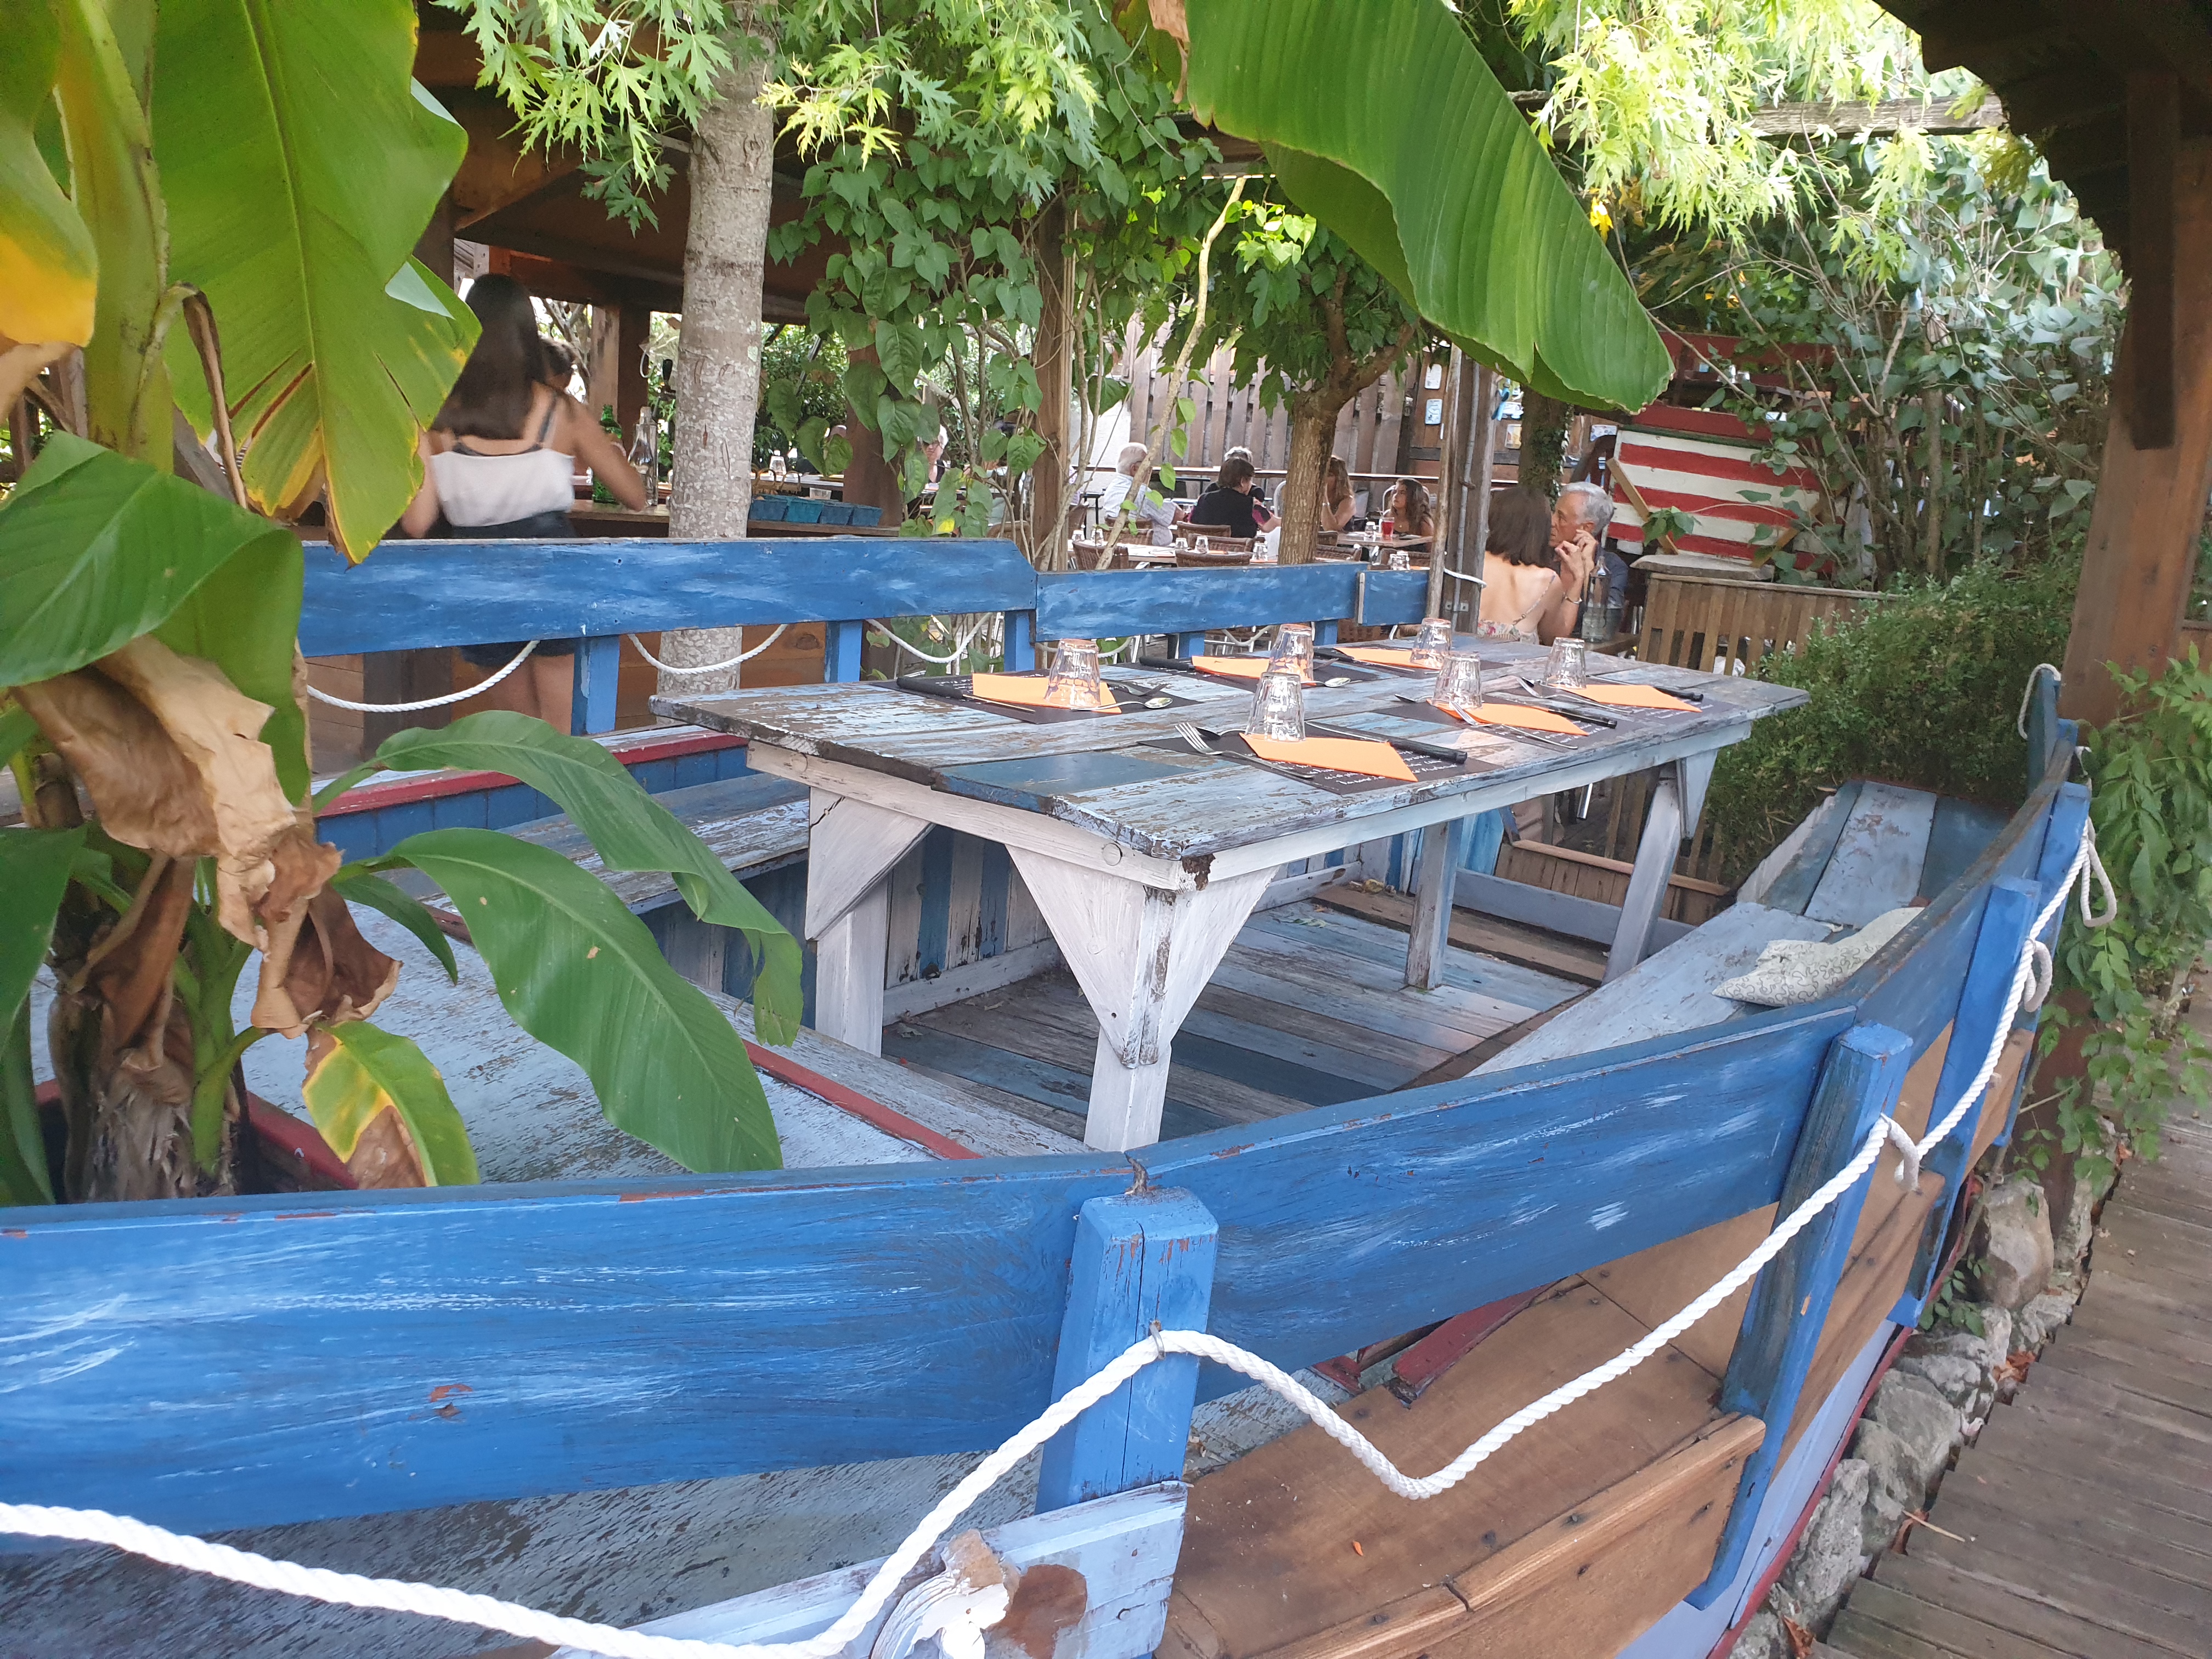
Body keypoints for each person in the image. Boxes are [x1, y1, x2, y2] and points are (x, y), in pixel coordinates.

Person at [400, 274, 647, 731]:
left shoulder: (433, 419)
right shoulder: (562, 411)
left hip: (477, 581)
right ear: (527, 335)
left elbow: (417, 522)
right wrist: (608, 449)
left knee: (520, 737)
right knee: (562, 732)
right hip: (554, 574)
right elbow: (634, 496)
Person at [1476, 486, 1590, 644]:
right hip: (1514, 660)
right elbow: (1555, 637)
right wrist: (1579, 578)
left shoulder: (1471, 563)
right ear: (1540, 529)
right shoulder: (1546, 580)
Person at [1095, 442, 1180, 545]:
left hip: (1116, 545)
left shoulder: (1112, 487)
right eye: (1147, 465)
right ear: (1135, 469)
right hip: (1149, 549)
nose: (1149, 470)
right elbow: (1176, 516)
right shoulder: (1141, 493)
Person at [1187, 452, 1276, 540]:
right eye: (1249, 480)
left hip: (1206, 548)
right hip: (1240, 549)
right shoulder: (1252, 505)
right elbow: (1270, 526)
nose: (1251, 484)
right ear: (1242, 482)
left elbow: (1190, 525)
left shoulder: (1202, 500)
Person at [1384, 477, 1436, 543]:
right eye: (1395, 492)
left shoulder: (1423, 522)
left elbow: (1431, 547)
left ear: (1413, 496)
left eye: (1402, 493)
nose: (1396, 496)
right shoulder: (1388, 517)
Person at [1321, 455, 1355, 536]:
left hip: (1340, 543)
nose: (1323, 479)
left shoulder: (1348, 501)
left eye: (1329, 475)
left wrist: (1324, 497)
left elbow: (1330, 529)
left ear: (1339, 479)